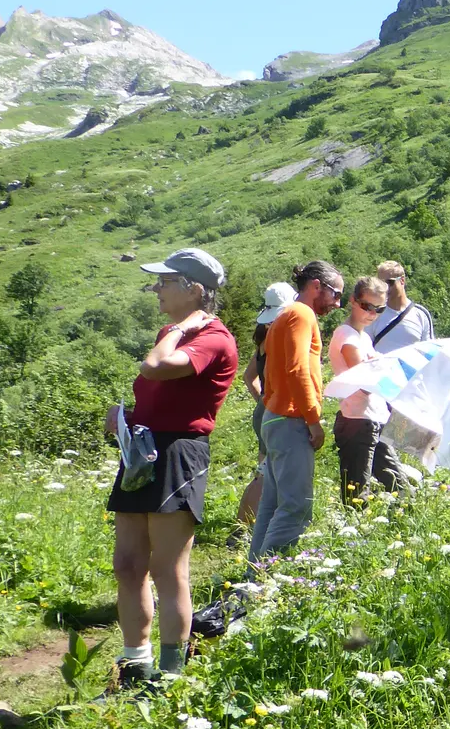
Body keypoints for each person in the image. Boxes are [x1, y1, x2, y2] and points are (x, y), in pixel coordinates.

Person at [105, 248, 239, 687]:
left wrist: (181, 328)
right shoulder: (173, 331)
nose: (155, 288)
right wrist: (124, 420)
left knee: (167, 567)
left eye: (165, 281)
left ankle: (171, 674)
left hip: (179, 454)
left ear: (194, 290)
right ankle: (134, 665)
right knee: (127, 563)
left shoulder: (212, 338)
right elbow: (153, 392)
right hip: (141, 453)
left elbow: (156, 367)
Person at [249, 260, 345, 563]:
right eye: (336, 294)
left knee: (272, 504)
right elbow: (297, 370)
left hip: (276, 417)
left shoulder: (288, 314)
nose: (338, 303)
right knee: (295, 507)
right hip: (290, 420)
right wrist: (314, 420)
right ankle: (268, 584)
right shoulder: (301, 314)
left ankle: (255, 576)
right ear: (316, 285)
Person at [330, 276, 405, 504]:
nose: (372, 313)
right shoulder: (346, 335)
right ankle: (352, 537)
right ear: (353, 301)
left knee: (399, 485)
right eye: (367, 306)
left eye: (379, 309)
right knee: (357, 493)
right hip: (357, 420)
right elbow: (364, 377)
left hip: (374, 418)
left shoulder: (362, 337)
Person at [237, 282, 298, 524]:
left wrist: (262, 401)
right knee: (266, 472)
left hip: (265, 410)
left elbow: (248, 376)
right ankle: (243, 525)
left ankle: (256, 520)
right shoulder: (280, 337)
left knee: (265, 468)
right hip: (276, 410)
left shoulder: (263, 338)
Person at [369, 260, 435, 352]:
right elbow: (364, 350)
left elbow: (430, 352)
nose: (385, 288)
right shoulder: (373, 314)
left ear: (402, 280)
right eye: (381, 283)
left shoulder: (421, 314)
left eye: (389, 282)